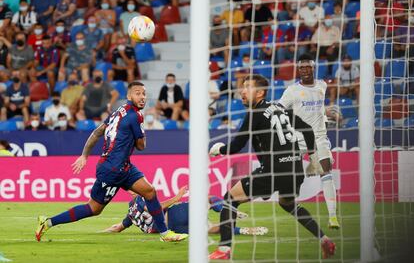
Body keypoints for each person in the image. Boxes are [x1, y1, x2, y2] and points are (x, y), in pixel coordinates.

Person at [35, 81, 188, 243]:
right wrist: (141, 133)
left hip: (121, 166)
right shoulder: (136, 115)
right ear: (129, 96)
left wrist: (84, 155)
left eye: (144, 93)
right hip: (113, 170)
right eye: (138, 93)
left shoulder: (117, 112)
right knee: (93, 208)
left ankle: (165, 234)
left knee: (149, 192)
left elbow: (97, 132)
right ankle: (48, 222)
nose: (142, 97)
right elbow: (141, 146)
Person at [208, 74, 335, 260]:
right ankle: (324, 239)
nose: (242, 91)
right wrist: (313, 158)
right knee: (288, 204)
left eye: (248, 88)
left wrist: (219, 149)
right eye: (242, 87)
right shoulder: (280, 108)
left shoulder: (255, 114)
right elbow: (307, 129)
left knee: (230, 199)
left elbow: (236, 146)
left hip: (274, 169)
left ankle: (224, 250)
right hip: (295, 169)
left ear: (260, 93)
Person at [277, 54, 340, 229]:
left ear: (313, 68)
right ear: (298, 69)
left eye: (308, 67)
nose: (305, 70)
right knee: (289, 178)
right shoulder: (291, 91)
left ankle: (333, 217)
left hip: (319, 138)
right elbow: (279, 110)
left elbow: (316, 106)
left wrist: (326, 113)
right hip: (297, 140)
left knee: (326, 171)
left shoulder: (322, 85)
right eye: (302, 67)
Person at [104, 187, 268, 236]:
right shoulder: (140, 199)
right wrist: (177, 197)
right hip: (173, 215)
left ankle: (246, 230)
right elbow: (156, 208)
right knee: (206, 198)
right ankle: (232, 210)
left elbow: (118, 227)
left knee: (208, 230)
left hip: (173, 229)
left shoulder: (130, 214)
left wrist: (102, 231)